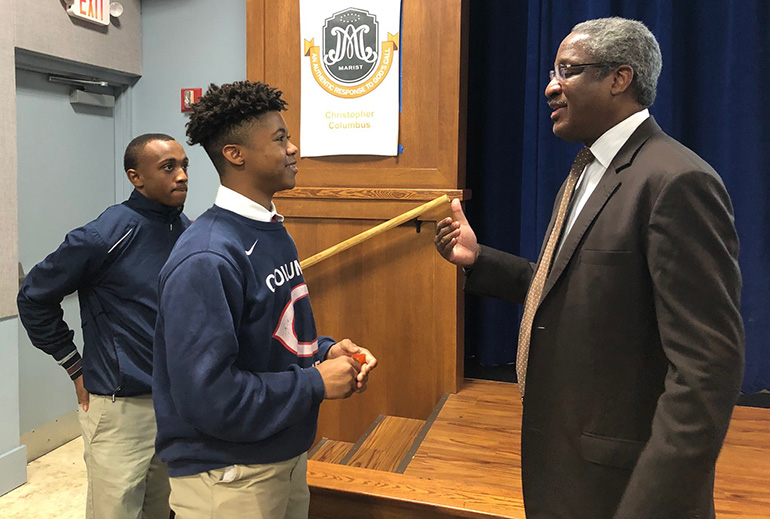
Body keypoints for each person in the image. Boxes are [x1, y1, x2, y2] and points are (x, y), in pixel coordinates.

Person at [435, 17, 744, 519]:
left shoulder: (676, 180)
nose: (550, 86)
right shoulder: (586, 171)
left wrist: (654, 502)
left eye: (568, 70)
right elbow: (582, 288)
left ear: (619, 79)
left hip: (625, 486)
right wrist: (479, 260)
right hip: (567, 467)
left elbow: (708, 367)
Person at [152, 80, 377, 519]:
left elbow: (270, 336)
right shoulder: (207, 256)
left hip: (280, 458)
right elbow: (209, 397)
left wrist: (326, 352)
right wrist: (315, 382)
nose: (293, 148)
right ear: (236, 154)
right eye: (280, 139)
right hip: (229, 478)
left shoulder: (271, 231)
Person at [18, 133, 191, 519]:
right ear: (136, 177)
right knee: (115, 512)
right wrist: (74, 365)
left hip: (176, 405)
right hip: (120, 409)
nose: (181, 176)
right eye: (168, 167)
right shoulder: (103, 236)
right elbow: (33, 297)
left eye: (184, 166)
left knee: (165, 509)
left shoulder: (186, 230)